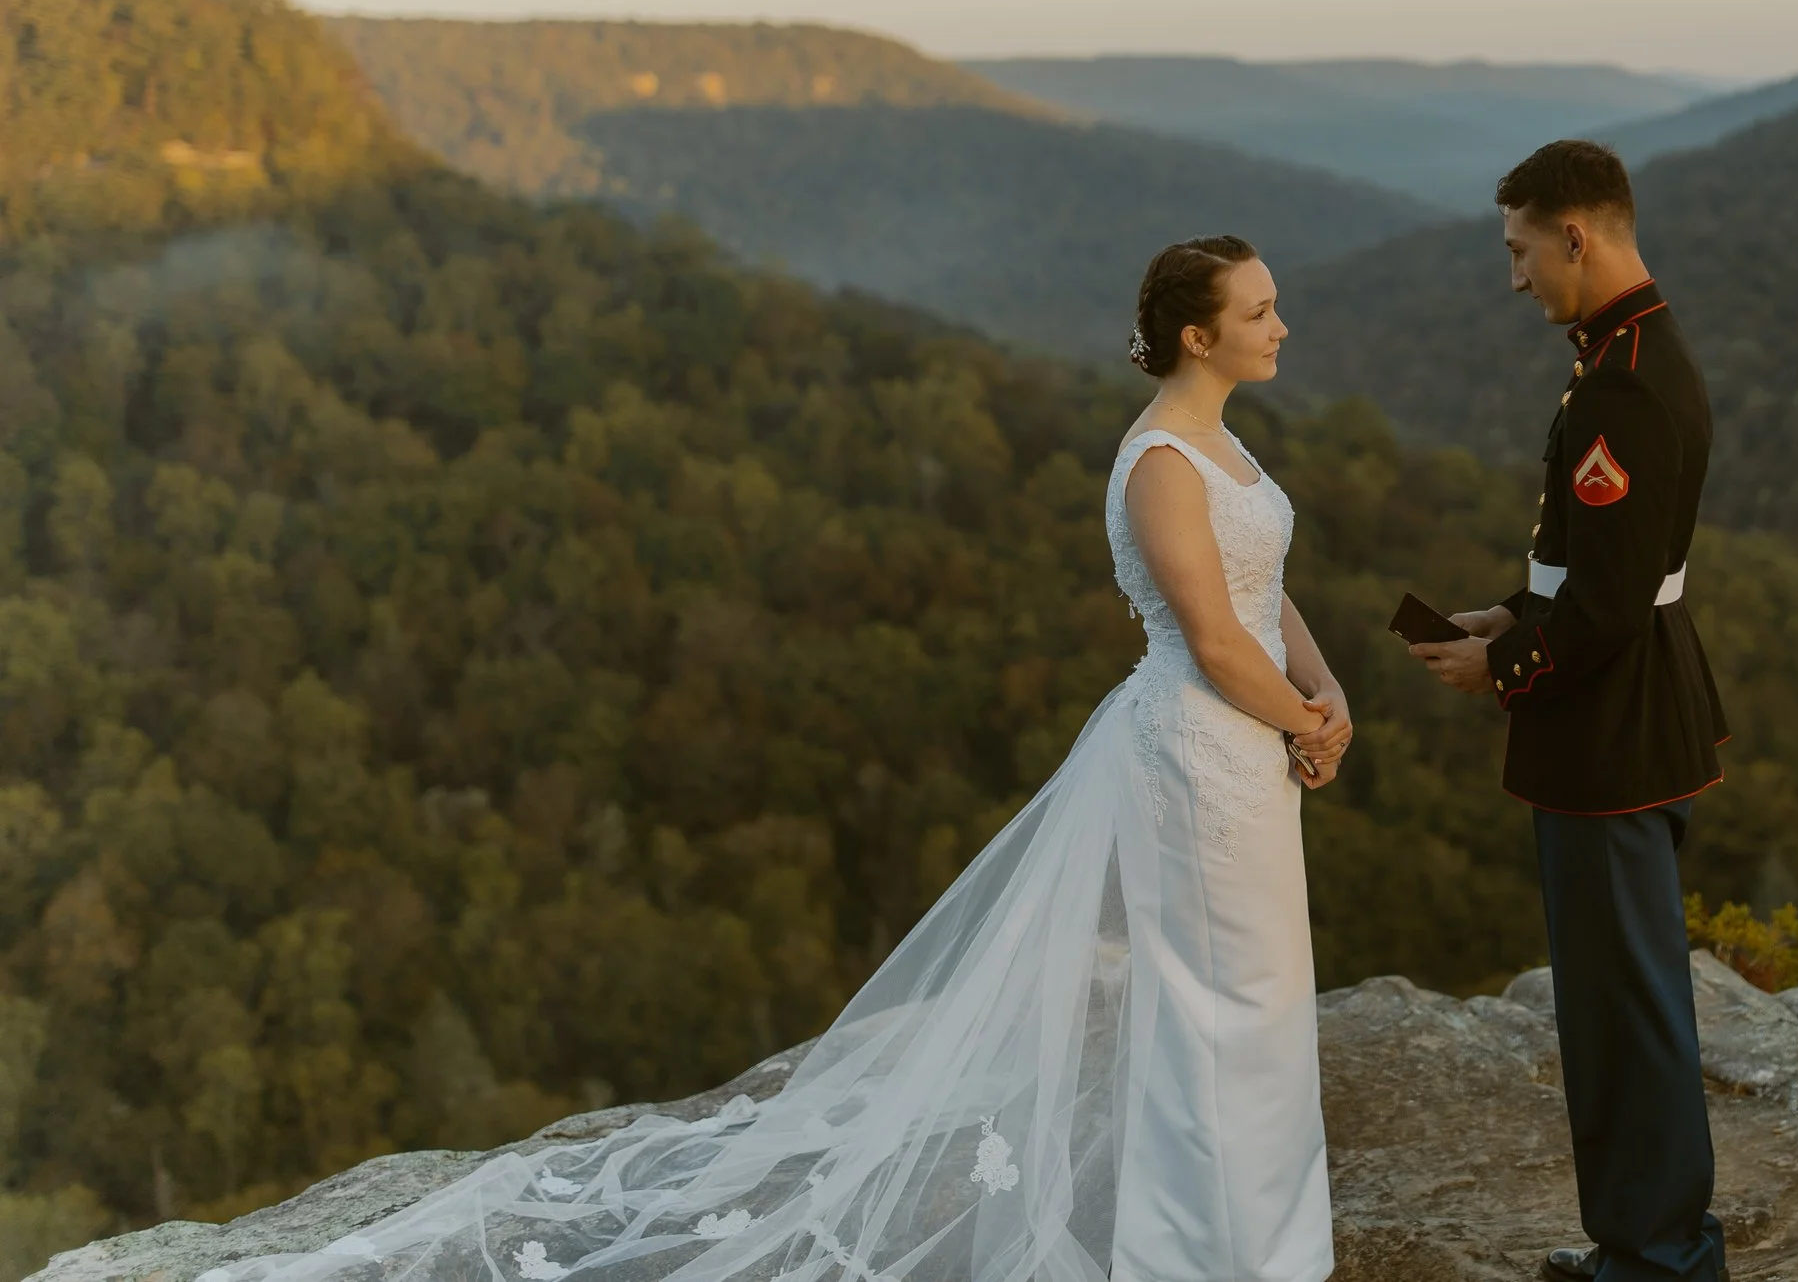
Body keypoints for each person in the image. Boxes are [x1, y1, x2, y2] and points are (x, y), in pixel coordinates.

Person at [217, 236, 1351, 1282]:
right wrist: (1302, 722)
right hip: (1201, 754)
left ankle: (1260, 1234)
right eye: (1260, 310)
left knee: (1255, 995)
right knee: (1217, 1004)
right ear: (1197, 336)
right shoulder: (1159, 461)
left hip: (1248, 736)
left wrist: (1324, 686)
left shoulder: (1222, 439)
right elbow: (1205, 636)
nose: (1281, 324)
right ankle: (1208, 1248)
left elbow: (1260, 584)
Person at [1408, 141, 1731, 1282]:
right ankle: (1638, 1241)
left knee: (1627, 1008)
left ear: (1575, 235)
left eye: (1520, 249)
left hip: (1613, 735)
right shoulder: (1623, 355)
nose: (1516, 276)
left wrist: (1500, 675)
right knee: (1612, 1002)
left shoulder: (1624, 384)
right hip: (1625, 718)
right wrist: (1506, 615)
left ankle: (1660, 1257)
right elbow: (1593, 569)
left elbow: (1605, 607)